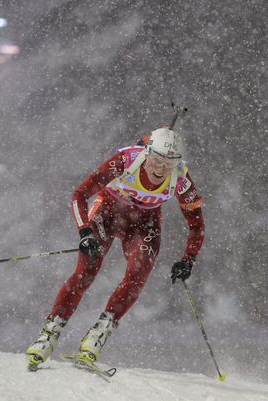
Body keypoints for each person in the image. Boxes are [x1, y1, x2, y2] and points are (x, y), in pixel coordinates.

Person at [26, 126, 205, 371]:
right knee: (86, 271)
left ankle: (97, 336)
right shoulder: (126, 161)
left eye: (168, 164)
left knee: (138, 272)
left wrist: (189, 260)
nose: (160, 169)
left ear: (178, 164)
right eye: (156, 160)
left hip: (145, 223)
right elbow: (79, 194)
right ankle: (48, 334)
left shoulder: (182, 181)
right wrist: (84, 232)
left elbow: (196, 225)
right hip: (108, 213)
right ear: (147, 153)